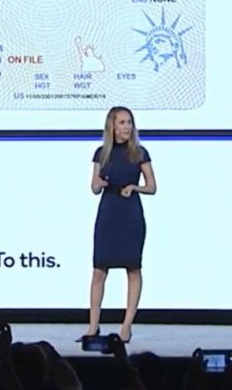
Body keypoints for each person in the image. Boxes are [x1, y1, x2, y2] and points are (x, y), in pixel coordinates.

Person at [83, 107, 156, 344]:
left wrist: (135, 187)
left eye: (129, 122)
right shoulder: (101, 153)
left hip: (130, 214)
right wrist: (99, 183)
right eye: (122, 122)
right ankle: (93, 326)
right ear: (112, 126)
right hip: (108, 213)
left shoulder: (139, 153)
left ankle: (126, 327)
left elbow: (152, 187)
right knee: (99, 271)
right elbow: (94, 188)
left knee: (133, 269)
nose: (127, 127)